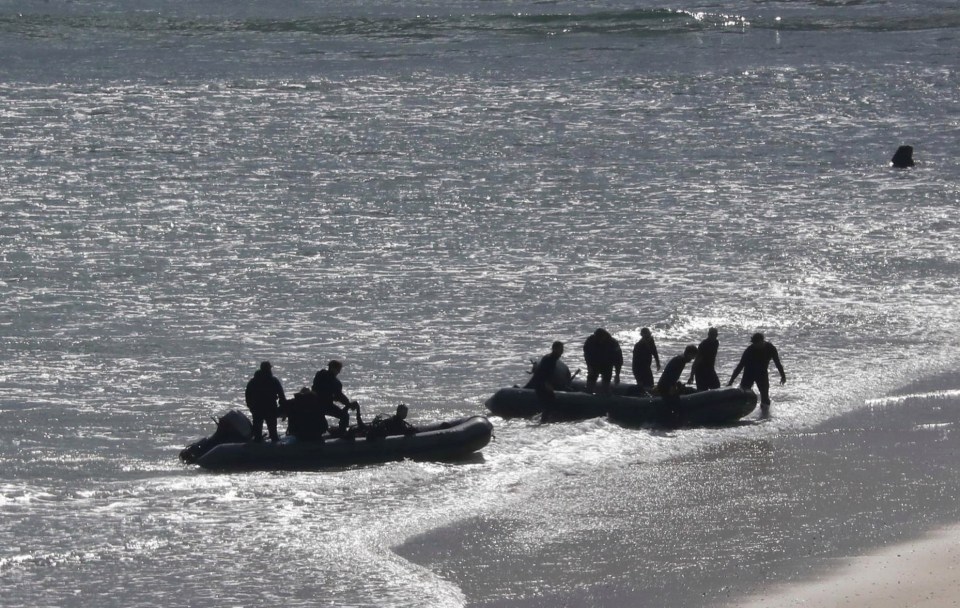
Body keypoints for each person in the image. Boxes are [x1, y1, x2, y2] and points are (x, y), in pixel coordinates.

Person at [728, 332, 787, 413]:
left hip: (762, 374)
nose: (755, 345)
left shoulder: (770, 348)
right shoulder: (749, 350)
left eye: (757, 343)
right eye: (754, 343)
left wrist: (783, 375)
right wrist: (731, 381)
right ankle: (737, 412)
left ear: (762, 341)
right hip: (749, 373)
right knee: (743, 394)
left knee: (765, 398)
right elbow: (740, 366)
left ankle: (764, 417)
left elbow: (777, 363)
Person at [311, 360, 358, 433]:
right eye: (338, 369)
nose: (339, 372)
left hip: (315, 405)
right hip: (325, 406)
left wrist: (346, 403)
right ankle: (342, 434)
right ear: (332, 368)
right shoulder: (334, 382)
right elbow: (339, 396)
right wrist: (348, 404)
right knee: (345, 416)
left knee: (323, 424)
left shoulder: (319, 375)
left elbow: (337, 396)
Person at [244, 361, 286, 442]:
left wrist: (251, 407)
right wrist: (283, 410)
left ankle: (258, 445)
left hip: (258, 409)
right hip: (269, 409)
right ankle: (273, 447)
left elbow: (247, 396)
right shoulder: (273, 381)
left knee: (258, 434)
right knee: (273, 434)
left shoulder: (253, 381)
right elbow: (282, 396)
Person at [583, 328, 623, 394]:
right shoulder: (590, 341)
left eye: (601, 338)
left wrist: (617, 374)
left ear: (605, 336)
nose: (599, 341)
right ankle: (588, 394)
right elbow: (587, 354)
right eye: (598, 338)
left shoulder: (613, 343)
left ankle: (605, 395)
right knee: (591, 381)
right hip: (594, 364)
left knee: (606, 383)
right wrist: (589, 366)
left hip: (607, 365)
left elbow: (618, 359)